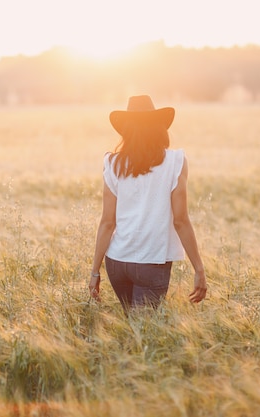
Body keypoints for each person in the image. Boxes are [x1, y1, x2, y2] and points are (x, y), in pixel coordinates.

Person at [88, 95, 207, 312]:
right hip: (151, 262)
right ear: (160, 128)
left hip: (117, 261)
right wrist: (199, 269)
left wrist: (95, 272)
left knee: (134, 331)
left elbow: (107, 222)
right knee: (143, 335)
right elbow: (181, 221)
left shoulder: (112, 163)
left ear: (126, 131)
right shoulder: (176, 162)